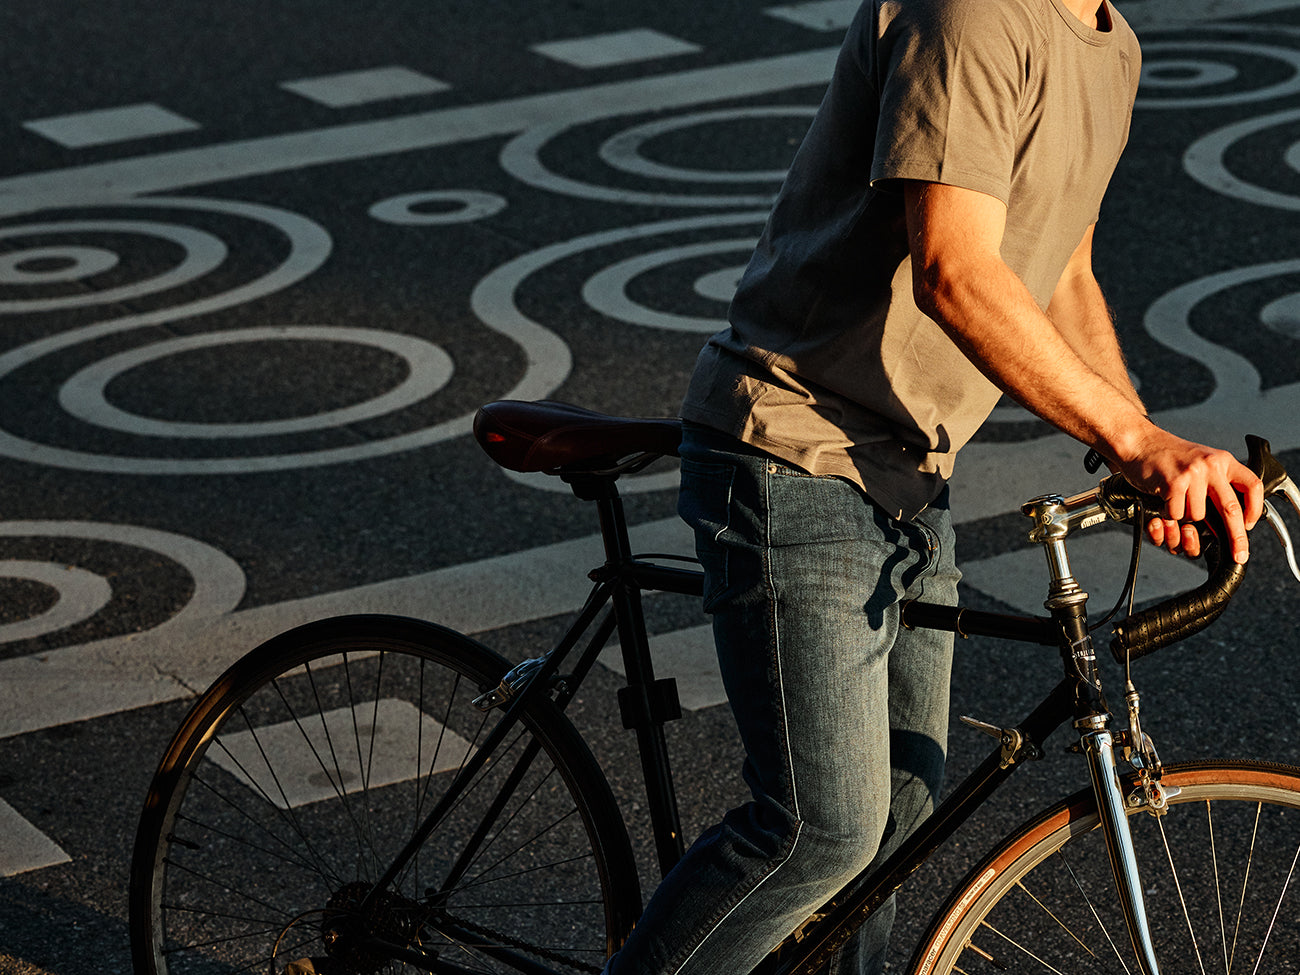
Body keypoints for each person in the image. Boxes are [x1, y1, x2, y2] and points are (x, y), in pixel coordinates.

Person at [604, 0, 1264, 973]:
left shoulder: (1108, 43)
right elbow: (953, 266)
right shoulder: (973, 13)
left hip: (913, 473)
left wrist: (1140, 445)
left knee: (898, 828)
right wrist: (1129, 437)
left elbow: (1059, 268)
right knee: (817, 834)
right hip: (799, 451)